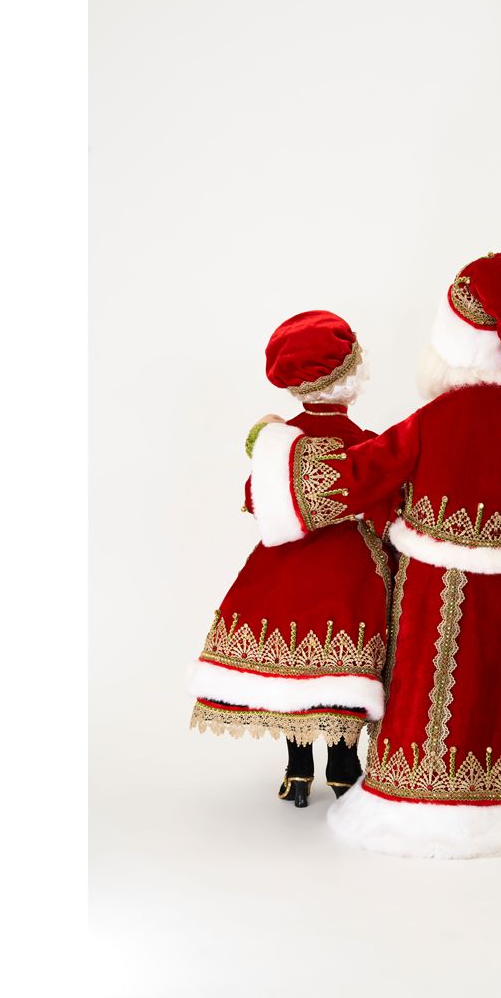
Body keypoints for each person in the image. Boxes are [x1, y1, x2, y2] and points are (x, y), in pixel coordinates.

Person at [249, 251, 501, 855]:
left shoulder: (428, 422)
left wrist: (274, 446)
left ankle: (431, 807)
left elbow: (352, 477)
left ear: (450, 348)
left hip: (438, 598)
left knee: (439, 696)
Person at [188, 311, 392, 808]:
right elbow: (386, 500)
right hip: (350, 568)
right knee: (344, 669)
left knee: (292, 672)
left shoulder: (278, 444)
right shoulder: (365, 441)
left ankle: (297, 770)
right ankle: (343, 768)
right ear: (351, 377)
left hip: (284, 566)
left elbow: (254, 498)